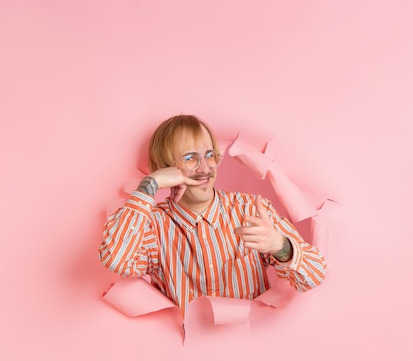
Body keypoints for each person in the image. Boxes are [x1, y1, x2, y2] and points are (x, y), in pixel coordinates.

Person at [99, 115, 326, 317]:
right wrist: (150, 184)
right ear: (165, 168)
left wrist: (280, 246)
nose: (205, 168)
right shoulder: (153, 226)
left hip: (253, 351)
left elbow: (314, 275)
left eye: (210, 155)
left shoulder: (250, 210)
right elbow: (117, 261)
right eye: (190, 158)